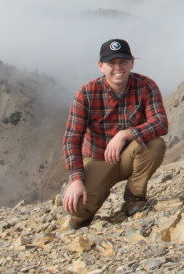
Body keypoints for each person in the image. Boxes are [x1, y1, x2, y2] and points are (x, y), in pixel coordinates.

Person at [61, 39, 169, 229]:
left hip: (130, 155)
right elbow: (71, 139)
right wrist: (76, 178)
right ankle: (94, 200)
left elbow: (160, 123)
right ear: (101, 66)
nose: (117, 68)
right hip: (97, 158)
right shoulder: (86, 93)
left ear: (132, 63)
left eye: (123, 62)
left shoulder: (146, 86)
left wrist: (124, 135)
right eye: (111, 63)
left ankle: (134, 197)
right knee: (77, 207)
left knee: (155, 144)